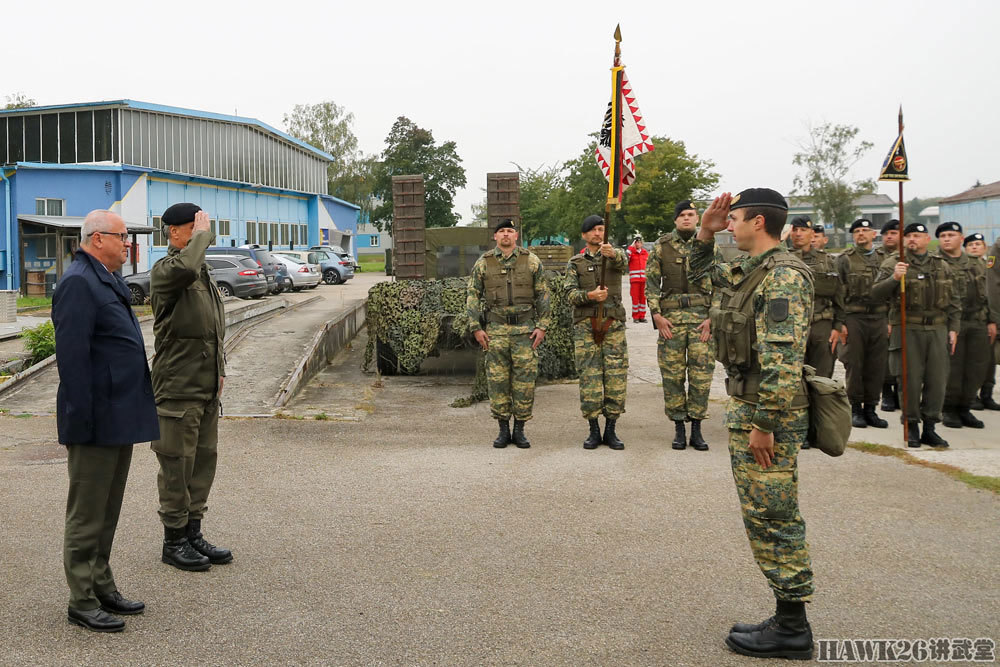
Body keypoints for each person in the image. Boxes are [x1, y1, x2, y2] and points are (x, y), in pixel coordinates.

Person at [689, 189, 816, 660]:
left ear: (758, 222)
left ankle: (792, 628)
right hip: (752, 407)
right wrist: (705, 229)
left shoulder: (782, 276)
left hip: (768, 413)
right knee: (763, 514)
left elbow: (783, 361)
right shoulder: (753, 270)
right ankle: (787, 616)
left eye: (735, 218)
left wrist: (765, 423)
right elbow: (701, 273)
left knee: (774, 516)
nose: (730, 225)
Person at [53, 210, 159, 632]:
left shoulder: (105, 277)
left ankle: (101, 584)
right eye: (122, 236)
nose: (127, 243)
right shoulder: (79, 282)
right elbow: (73, 362)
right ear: (98, 239)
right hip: (95, 420)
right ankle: (81, 598)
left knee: (107, 509)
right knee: (87, 512)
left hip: (117, 416)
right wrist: (82, 421)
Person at [150, 203, 231, 571]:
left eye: (205, 227)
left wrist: (220, 369)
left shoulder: (203, 273)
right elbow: (184, 267)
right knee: (176, 465)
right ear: (175, 232)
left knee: (202, 462)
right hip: (178, 387)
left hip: (205, 386)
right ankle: (174, 540)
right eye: (196, 227)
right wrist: (201, 239)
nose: (204, 233)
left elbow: (212, 330)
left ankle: (194, 531)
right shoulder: (168, 271)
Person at [872, 222, 960, 447]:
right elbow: (875, 294)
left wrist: (954, 328)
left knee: (937, 381)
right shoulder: (894, 263)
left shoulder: (941, 265)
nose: (912, 239)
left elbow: (954, 300)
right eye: (908, 235)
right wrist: (893, 278)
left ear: (927, 238)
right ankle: (911, 425)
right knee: (909, 380)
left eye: (917, 235)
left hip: (937, 329)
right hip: (908, 328)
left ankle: (930, 427)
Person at [467, 218, 551, 448]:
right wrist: (476, 327)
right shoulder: (484, 263)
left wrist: (542, 326)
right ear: (495, 236)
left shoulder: (531, 261)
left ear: (516, 236)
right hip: (496, 331)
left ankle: (520, 430)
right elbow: (473, 295)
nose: (506, 234)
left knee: (524, 383)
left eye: (510, 231)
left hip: (525, 332)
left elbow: (543, 293)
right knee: (498, 382)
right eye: (501, 231)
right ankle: (503, 430)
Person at [645, 200, 721, 451]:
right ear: (676, 220)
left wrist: (714, 318)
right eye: (682, 215)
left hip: (702, 321)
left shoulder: (710, 246)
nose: (687, 218)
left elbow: (722, 284)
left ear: (698, 218)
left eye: (691, 214)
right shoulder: (661, 246)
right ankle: (679, 428)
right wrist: (656, 315)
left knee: (700, 377)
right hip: (672, 322)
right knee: (673, 376)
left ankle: (697, 430)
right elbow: (652, 284)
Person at [565, 215, 628, 449]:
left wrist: (615, 254)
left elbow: (628, 263)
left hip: (613, 324)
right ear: (584, 235)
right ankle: (593, 429)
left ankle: (611, 429)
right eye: (592, 230)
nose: (597, 233)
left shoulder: (614, 256)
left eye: (601, 229)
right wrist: (589, 296)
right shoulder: (575, 263)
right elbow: (569, 294)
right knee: (589, 378)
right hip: (586, 325)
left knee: (616, 377)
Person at [788, 216, 847, 441]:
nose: (799, 234)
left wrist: (838, 326)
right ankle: (798, 429)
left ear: (813, 234)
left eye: (804, 230)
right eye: (795, 229)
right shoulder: (782, 259)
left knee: (821, 378)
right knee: (794, 378)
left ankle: (819, 430)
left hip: (822, 327)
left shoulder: (828, 261)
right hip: (793, 327)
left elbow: (840, 296)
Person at [936, 223, 994, 429]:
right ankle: (949, 408)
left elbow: (988, 293)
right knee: (953, 367)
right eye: (942, 235)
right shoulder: (936, 263)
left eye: (951, 235)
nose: (946, 239)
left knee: (976, 367)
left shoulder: (976, 263)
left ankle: (965, 407)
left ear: (961, 238)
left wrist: (991, 321)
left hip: (977, 321)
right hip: (950, 323)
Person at [836, 219, 890, 430]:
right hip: (854, 317)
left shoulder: (885, 259)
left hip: (879, 317)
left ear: (873, 234)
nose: (860, 234)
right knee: (855, 364)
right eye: (857, 231)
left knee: (876, 365)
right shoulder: (844, 259)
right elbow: (838, 291)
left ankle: (871, 408)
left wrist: (890, 321)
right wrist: (840, 322)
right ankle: (855, 408)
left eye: (865, 230)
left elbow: (894, 292)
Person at [965, 233, 1000, 410]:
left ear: (984, 247)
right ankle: (971, 396)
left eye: (978, 244)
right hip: (976, 319)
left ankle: (987, 393)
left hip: (989, 317)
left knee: (990, 360)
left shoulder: (989, 265)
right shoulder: (967, 267)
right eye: (970, 244)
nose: (974, 247)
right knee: (974, 361)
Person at [877, 220, 901, 412]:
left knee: (901, 357)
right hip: (881, 315)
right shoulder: (876, 257)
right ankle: (887, 393)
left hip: (901, 316)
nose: (889, 236)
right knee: (884, 358)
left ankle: (902, 392)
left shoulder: (906, 258)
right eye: (886, 234)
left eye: (894, 232)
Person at [625, 235, 649, 322]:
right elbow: (626, 256)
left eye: (639, 242)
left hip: (644, 280)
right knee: (635, 298)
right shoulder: (631, 253)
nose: (638, 244)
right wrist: (631, 247)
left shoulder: (645, 253)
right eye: (636, 242)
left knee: (643, 298)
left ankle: (642, 316)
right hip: (635, 280)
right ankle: (635, 317)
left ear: (642, 244)